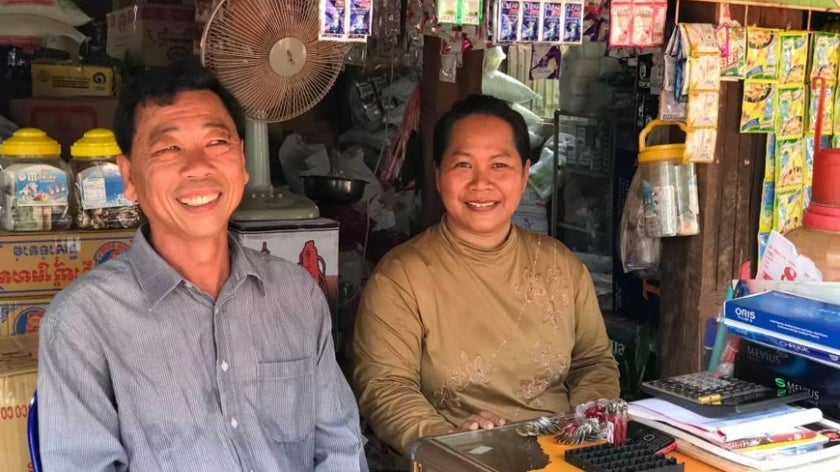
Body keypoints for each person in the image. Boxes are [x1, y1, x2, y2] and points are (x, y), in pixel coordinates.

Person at [37, 60, 368, 472]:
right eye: (168, 148)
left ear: (243, 162)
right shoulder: (83, 322)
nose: (198, 166)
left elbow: (339, 446)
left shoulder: (296, 295)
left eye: (216, 143)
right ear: (129, 176)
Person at [352, 94, 619, 456]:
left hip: (564, 455)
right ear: (438, 173)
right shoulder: (401, 278)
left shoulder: (560, 265)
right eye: (463, 165)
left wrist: (586, 425)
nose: (481, 183)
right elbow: (385, 387)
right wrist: (454, 445)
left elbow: (593, 361)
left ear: (525, 174)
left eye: (499, 166)